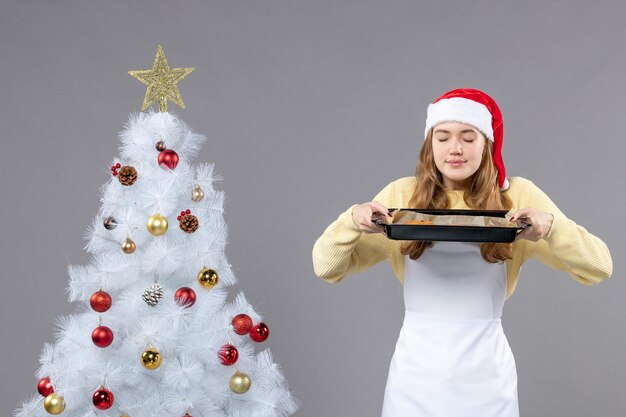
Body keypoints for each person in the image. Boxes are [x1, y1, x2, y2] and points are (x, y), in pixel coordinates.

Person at [311, 88, 613, 417]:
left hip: (486, 379)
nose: (455, 149)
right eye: (443, 137)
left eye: (469, 137)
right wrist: (352, 220)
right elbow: (326, 267)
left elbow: (600, 266)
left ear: (487, 144)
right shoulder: (403, 195)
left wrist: (554, 227)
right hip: (415, 378)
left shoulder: (517, 196)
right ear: (430, 145)